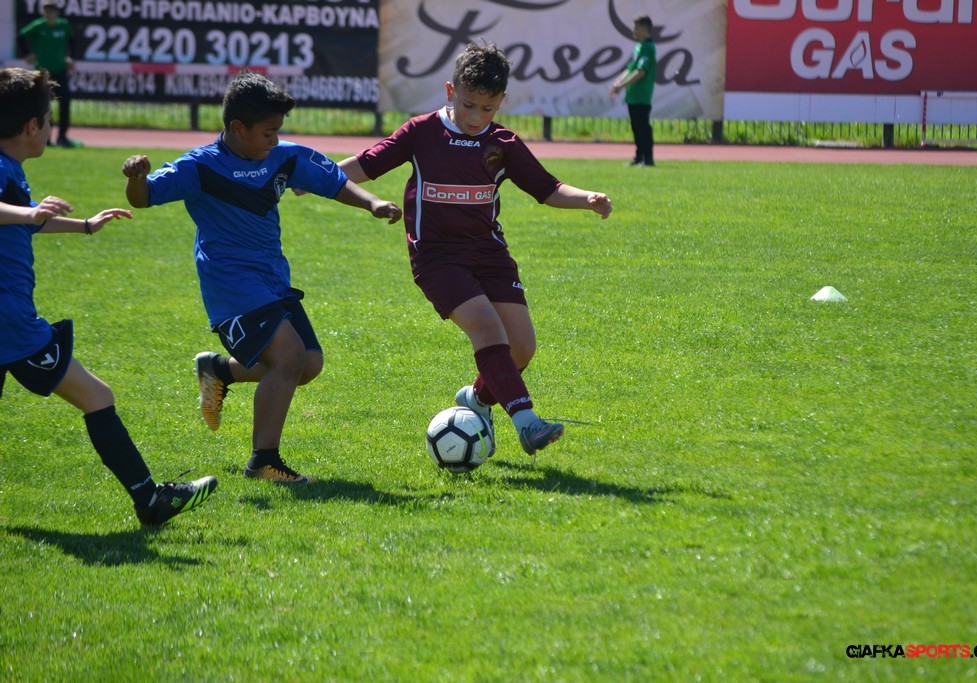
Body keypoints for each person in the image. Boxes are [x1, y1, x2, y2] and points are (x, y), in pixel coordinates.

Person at [122, 71, 402, 484]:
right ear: (238, 128)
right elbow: (144, 198)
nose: (275, 138)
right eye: (268, 132)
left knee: (309, 363)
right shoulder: (200, 166)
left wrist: (373, 203)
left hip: (272, 277)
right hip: (230, 283)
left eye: (278, 131)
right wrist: (136, 178)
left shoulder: (283, 157)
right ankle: (263, 462)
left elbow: (334, 182)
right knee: (288, 357)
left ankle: (219, 370)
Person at [334, 43, 612, 459]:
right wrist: (316, 176)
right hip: (436, 257)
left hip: (489, 254)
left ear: (501, 102)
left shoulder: (503, 143)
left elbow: (548, 188)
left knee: (522, 348)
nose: (475, 116)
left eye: (487, 108)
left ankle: (477, 399)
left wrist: (586, 197)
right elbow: (368, 163)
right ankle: (527, 422)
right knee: (486, 326)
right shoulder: (422, 132)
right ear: (451, 91)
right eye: (467, 105)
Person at [0, 67, 217, 526]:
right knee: (97, 396)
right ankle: (150, 500)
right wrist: (28, 214)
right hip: (10, 322)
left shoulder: (8, 168)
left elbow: (23, 220)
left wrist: (83, 225)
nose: (51, 127)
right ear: (31, 126)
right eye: (48, 119)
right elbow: (18, 215)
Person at [18, 0, 80, 148]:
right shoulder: (38, 26)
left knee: (65, 102)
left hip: (60, 70)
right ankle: (46, 139)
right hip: (43, 73)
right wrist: (27, 54)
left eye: (51, 10)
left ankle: (62, 138)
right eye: (46, 10)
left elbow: (72, 40)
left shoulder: (63, 25)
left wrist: (71, 56)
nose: (48, 14)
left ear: (57, 12)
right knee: (44, 105)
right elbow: (20, 37)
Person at [609, 15, 656, 167]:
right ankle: (639, 157)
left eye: (636, 27)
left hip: (642, 95)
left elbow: (641, 71)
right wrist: (618, 83)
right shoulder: (639, 47)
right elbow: (631, 68)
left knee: (643, 127)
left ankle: (648, 158)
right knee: (636, 127)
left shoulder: (648, 47)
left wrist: (621, 85)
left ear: (644, 28)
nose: (634, 30)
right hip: (633, 95)